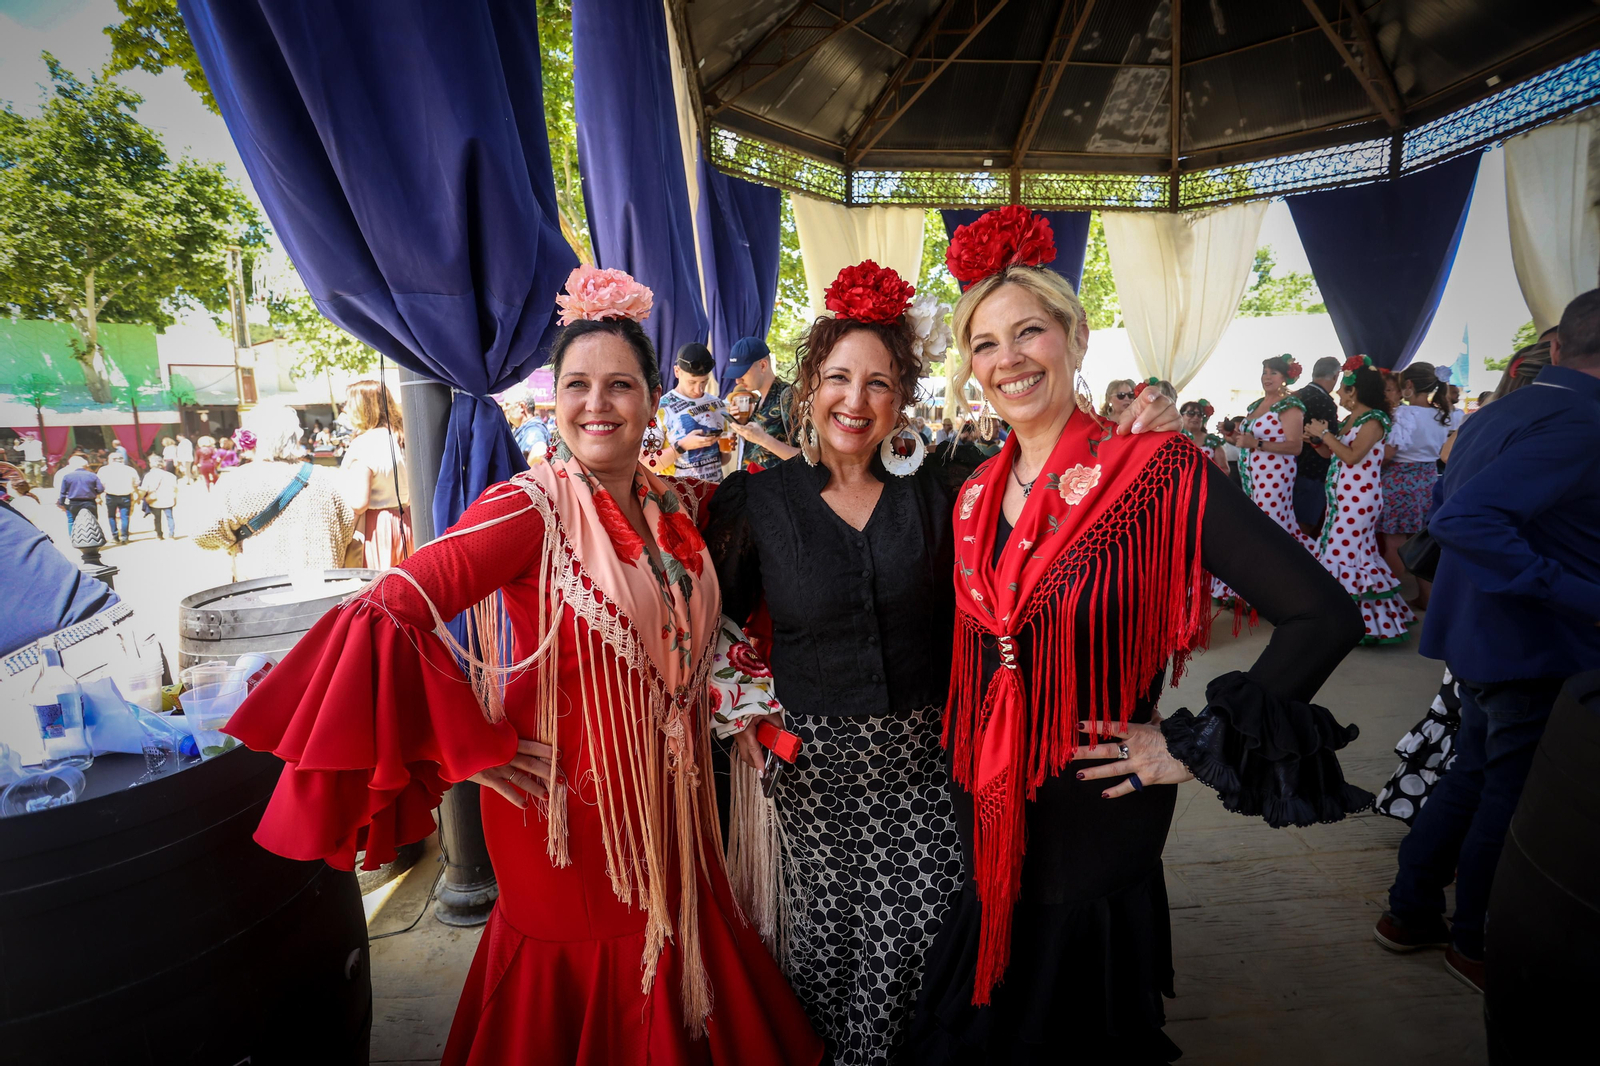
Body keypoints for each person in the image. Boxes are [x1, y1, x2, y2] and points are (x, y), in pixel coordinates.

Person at [222, 266, 821, 1066]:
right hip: (566, 815)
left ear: (653, 400)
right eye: (578, 384)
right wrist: (471, 749)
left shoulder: (672, 503)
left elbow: (702, 622)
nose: (597, 403)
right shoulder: (525, 507)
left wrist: (740, 705)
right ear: (555, 399)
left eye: (620, 385)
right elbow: (385, 610)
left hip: (674, 805)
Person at [906, 207, 1367, 1063]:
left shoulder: (1155, 469)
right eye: (984, 343)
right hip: (989, 802)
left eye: (1030, 331)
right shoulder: (973, 490)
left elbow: (1325, 616)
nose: (1008, 358)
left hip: (1096, 804)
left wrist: (1189, 745)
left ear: (1076, 338)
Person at [709, 254, 1178, 1066]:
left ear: (904, 397)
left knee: (929, 960)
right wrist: (742, 711)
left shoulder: (952, 486)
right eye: (838, 378)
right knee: (825, 958)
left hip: (936, 773)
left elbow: (1060, 498)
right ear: (808, 386)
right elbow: (711, 622)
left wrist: (1144, 429)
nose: (856, 401)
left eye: (880, 383)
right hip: (811, 785)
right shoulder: (755, 502)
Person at [1376, 290, 1600, 993]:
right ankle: (1475, 939)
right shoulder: (1583, 423)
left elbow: (1448, 506)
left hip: (1483, 634)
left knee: (1472, 775)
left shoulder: (1499, 411)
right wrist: (1580, 595)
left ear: (1556, 347)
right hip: (1537, 642)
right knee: (1511, 797)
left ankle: (1411, 911)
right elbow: (1464, 519)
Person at [1306, 358, 1415, 644]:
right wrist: (1317, 441)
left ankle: (1343, 622)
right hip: (1341, 499)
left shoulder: (1374, 420)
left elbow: (1353, 456)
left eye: (1342, 389)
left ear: (1353, 391)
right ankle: (1367, 622)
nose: (1338, 394)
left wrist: (1324, 434)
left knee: (1341, 555)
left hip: (1358, 501)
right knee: (1354, 555)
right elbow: (1333, 454)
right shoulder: (1350, 420)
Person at [192, 405, 355, 580]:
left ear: (253, 439)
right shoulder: (325, 477)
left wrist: (235, 540)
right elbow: (347, 526)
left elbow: (204, 534)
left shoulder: (237, 481)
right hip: (323, 584)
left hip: (263, 586)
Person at [1379, 361, 1456, 609]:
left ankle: (1386, 597)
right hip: (1428, 480)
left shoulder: (1403, 414)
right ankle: (1426, 597)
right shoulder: (1442, 415)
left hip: (1399, 479)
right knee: (1420, 541)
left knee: (1394, 542)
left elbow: (1388, 453)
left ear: (1409, 384)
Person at [341, 379, 413, 568]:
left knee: (379, 583)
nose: (345, 409)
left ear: (362, 407)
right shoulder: (403, 436)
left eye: (349, 403)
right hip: (407, 521)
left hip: (375, 528)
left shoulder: (364, 444)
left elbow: (359, 502)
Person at [724, 337, 800, 470]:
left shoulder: (788, 396)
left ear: (763, 365)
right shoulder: (759, 400)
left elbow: (809, 458)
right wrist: (743, 425)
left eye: (742, 372)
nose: (737, 381)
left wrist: (763, 439)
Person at [662, 343, 728, 482]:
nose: (699, 389)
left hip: (716, 490)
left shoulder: (718, 405)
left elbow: (722, 461)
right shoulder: (660, 408)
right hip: (678, 492)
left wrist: (725, 450)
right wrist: (683, 446)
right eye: (692, 382)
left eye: (704, 382)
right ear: (677, 371)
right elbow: (647, 463)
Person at [1293, 356, 1342, 533]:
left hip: (1289, 466)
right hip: (1313, 471)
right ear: (1336, 376)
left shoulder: (1296, 396)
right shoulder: (1325, 402)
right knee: (1304, 526)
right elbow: (1331, 442)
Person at [96, 452, 141, 545]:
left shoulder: (104, 470)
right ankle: (125, 537)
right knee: (125, 516)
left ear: (111, 460)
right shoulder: (130, 469)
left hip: (110, 495)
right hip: (126, 495)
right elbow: (136, 482)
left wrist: (98, 496)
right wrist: (137, 493)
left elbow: (99, 484)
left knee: (111, 516)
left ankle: (115, 536)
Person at [55, 455, 103, 537]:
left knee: (72, 520)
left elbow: (60, 490)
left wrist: (61, 502)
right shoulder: (91, 475)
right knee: (92, 520)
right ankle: (93, 537)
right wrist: (93, 493)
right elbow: (100, 489)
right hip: (89, 501)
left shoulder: (63, 474)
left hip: (71, 501)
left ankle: (74, 538)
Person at [1178, 399, 1227, 473]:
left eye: (1200, 414)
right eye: (1191, 413)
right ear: (1181, 416)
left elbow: (1224, 469)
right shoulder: (1174, 438)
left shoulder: (1212, 441)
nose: (1196, 417)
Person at [503, 393, 550, 461]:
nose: (504, 408)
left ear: (522, 407)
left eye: (507, 405)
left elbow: (539, 453)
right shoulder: (524, 428)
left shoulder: (533, 430)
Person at [139, 458, 179, 539]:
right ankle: (171, 533)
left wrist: (139, 498)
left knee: (157, 518)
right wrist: (175, 499)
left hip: (155, 500)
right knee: (169, 517)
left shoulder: (148, 476)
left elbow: (144, 489)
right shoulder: (171, 476)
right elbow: (175, 489)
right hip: (168, 499)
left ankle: (159, 534)